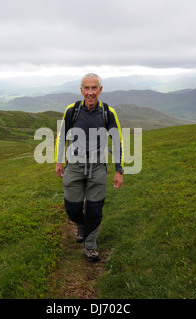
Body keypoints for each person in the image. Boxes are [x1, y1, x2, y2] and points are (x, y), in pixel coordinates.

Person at [55, 73, 124, 262]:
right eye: (87, 88)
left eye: (94, 88)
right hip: (74, 165)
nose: (90, 92)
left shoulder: (108, 112)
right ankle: (79, 224)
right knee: (72, 208)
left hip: (98, 166)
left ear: (100, 90)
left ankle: (90, 245)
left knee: (95, 210)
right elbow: (62, 136)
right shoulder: (73, 110)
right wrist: (59, 161)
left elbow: (117, 141)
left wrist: (119, 170)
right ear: (81, 90)